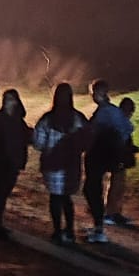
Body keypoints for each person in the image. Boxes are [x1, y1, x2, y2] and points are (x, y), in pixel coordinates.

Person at [32, 83, 87, 245]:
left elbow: (38, 143)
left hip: (53, 163)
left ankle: (57, 231)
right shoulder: (78, 118)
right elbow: (86, 140)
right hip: (71, 164)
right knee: (67, 198)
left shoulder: (47, 119)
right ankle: (70, 230)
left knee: (55, 198)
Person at [82, 80, 133, 243]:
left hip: (99, 155)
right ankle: (100, 223)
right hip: (106, 155)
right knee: (93, 188)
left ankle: (99, 227)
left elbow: (124, 129)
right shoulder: (110, 111)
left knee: (92, 189)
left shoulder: (107, 112)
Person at [0, 89, 30, 239]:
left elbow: (25, 138)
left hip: (13, 162)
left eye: (11, 99)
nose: (9, 102)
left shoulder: (18, 120)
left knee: (3, 194)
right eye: (6, 99)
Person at [104, 97, 139, 226]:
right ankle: (110, 213)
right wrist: (130, 149)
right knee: (116, 186)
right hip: (117, 159)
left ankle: (116, 212)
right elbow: (118, 143)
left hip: (119, 158)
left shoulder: (120, 122)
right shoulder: (120, 124)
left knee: (119, 186)